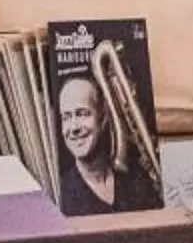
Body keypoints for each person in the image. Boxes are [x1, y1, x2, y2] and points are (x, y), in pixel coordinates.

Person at [55, 67, 151, 213]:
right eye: (66, 117)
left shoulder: (137, 181)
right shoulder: (60, 192)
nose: (74, 127)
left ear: (103, 119)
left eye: (82, 114)